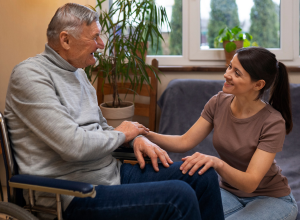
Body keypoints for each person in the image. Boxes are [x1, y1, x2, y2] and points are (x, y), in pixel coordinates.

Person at [4, 3, 224, 220]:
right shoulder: (30, 76)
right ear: (65, 39)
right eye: (95, 37)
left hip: (111, 174)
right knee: (179, 196)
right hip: (71, 194)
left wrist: (134, 139)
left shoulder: (78, 74)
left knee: (202, 175)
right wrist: (122, 134)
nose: (101, 44)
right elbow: (73, 145)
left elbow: (102, 128)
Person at [145, 47, 299, 220]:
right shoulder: (218, 102)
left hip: (271, 198)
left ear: (258, 84)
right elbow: (184, 141)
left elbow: (250, 183)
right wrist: (144, 134)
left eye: (237, 73)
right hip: (229, 192)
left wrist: (217, 163)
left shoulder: (273, 122)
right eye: (229, 67)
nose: (227, 74)